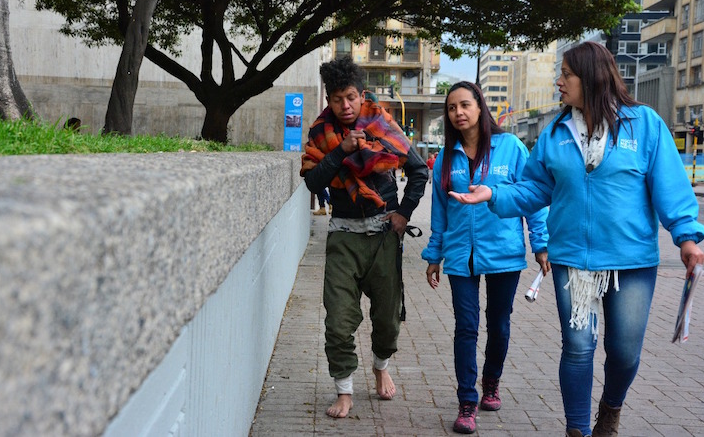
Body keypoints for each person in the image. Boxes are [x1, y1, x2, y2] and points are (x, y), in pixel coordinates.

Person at [450, 41, 704, 437]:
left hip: (630, 261)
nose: (559, 81)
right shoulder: (555, 132)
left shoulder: (645, 125)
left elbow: (670, 187)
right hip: (574, 262)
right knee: (579, 347)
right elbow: (534, 189)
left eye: (566, 74)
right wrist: (494, 194)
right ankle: (578, 431)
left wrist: (687, 237)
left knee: (623, 352)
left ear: (590, 76)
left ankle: (611, 407)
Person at [300, 56, 427, 418]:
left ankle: (381, 366)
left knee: (387, 319)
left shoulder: (383, 125)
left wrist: (403, 213)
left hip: (384, 236)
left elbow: (418, 171)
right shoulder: (320, 133)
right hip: (343, 236)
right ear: (329, 98)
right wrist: (342, 151)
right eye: (337, 98)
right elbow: (312, 181)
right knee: (338, 320)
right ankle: (344, 390)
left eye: (351, 97)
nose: (345, 105)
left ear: (361, 94)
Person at [422, 81, 550, 434]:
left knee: (499, 324)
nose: (458, 113)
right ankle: (467, 400)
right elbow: (439, 212)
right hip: (460, 256)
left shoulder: (510, 148)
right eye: (451, 108)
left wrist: (541, 245)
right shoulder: (446, 158)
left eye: (465, 105)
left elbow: (532, 198)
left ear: (480, 106)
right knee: (466, 327)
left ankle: (491, 381)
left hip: (504, 254)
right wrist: (435, 255)